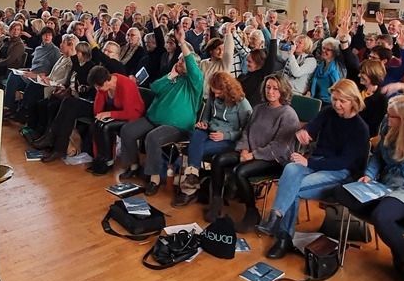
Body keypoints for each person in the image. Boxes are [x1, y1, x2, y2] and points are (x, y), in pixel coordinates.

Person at [335, 92, 404, 281]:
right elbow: (377, 156)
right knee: (341, 192)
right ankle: (394, 218)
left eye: (393, 116)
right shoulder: (388, 127)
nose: (388, 119)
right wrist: (369, 174)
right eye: (388, 115)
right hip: (386, 185)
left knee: (381, 217)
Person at [258, 79, 370, 258]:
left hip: (340, 173)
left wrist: (309, 163)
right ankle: (276, 216)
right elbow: (313, 126)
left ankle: (283, 236)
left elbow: (342, 162)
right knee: (291, 170)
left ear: (354, 101)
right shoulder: (329, 112)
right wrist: (306, 132)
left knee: (291, 187)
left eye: (342, 101)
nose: (337, 104)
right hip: (318, 163)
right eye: (334, 99)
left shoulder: (360, 129)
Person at [117, 29, 204, 196]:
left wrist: (182, 43)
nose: (180, 63)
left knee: (152, 138)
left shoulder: (195, 82)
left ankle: (154, 179)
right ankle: (134, 166)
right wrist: (170, 76)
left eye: (183, 61)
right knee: (127, 130)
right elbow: (155, 88)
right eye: (178, 60)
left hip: (177, 126)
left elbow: (191, 64)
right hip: (154, 118)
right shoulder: (173, 77)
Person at [208, 73, 300, 232]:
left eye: (275, 89)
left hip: (273, 159)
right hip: (250, 151)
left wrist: (252, 155)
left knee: (240, 171)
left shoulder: (288, 114)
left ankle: (252, 212)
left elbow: (279, 147)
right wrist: (244, 149)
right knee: (218, 159)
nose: (270, 92)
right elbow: (246, 132)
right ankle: (216, 202)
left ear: (283, 91)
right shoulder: (258, 108)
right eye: (268, 87)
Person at [173, 72, 252, 207]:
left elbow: (246, 132)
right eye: (214, 92)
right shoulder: (212, 97)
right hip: (209, 131)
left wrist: (226, 135)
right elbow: (206, 117)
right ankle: (193, 177)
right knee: (197, 134)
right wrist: (203, 123)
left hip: (228, 139)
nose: (215, 95)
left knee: (194, 149)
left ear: (227, 90)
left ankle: (189, 190)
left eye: (219, 93)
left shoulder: (242, 103)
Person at [86, 65, 146, 176]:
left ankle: (108, 162)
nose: (97, 89)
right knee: (96, 124)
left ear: (106, 82)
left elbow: (131, 113)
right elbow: (97, 111)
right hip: (118, 113)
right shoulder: (104, 86)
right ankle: (100, 159)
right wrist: (100, 94)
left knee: (106, 127)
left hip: (133, 115)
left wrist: (109, 114)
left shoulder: (126, 85)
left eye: (98, 87)